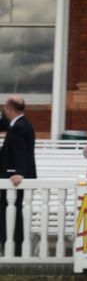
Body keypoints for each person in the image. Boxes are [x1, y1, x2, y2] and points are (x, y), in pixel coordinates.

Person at [0, 95, 37, 256]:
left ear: (9, 109)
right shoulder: (21, 123)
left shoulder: (19, 127)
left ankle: (14, 249)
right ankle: (12, 247)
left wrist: (19, 173)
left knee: (11, 214)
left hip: (14, 179)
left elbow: (22, 152)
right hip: (14, 176)